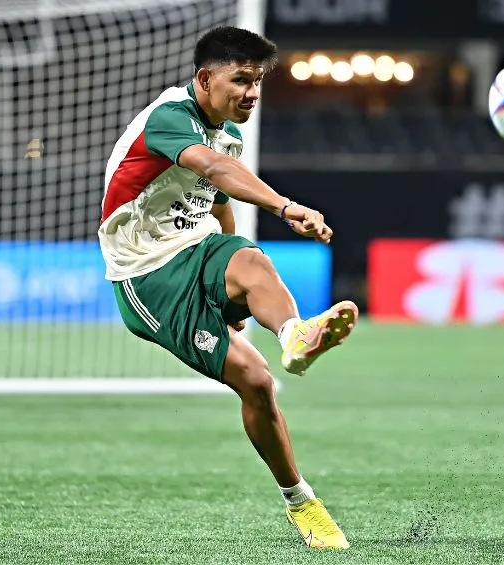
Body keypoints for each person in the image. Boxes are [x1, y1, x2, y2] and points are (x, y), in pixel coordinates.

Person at [97, 25, 356, 550]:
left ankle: (294, 339)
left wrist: (232, 292)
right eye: (241, 80)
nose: (252, 94)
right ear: (204, 78)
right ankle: (298, 494)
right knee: (253, 382)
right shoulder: (171, 118)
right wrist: (285, 206)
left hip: (196, 249)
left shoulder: (228, 135)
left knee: (254, 264)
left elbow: (218, 202)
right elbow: (212, 168)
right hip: (148, 276)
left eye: (258, 82)